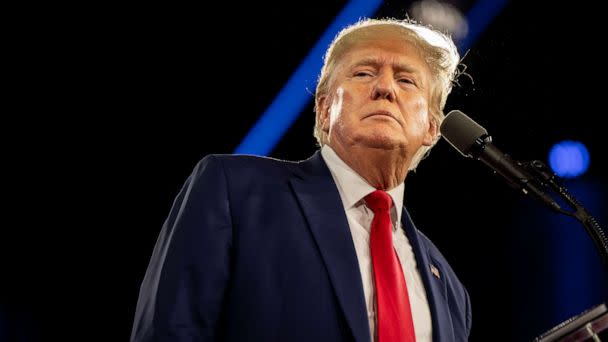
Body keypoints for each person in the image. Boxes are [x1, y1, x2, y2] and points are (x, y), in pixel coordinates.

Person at [131, 18, 471, 342]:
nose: (384, 88)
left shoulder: (449, 288)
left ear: (431, 127)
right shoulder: (235, 191)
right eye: (364, 72)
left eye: (406, 80)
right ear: (324, 109)